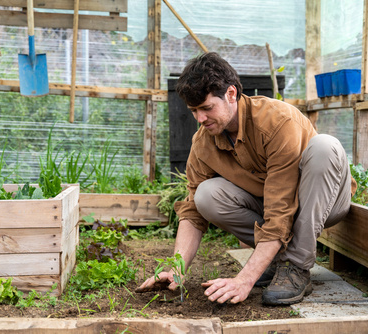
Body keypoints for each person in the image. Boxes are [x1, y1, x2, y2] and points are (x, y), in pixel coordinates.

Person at [136, 52, 355, 305]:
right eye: (194, 110)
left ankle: (295, 266)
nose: (200, 119)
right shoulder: (203, 143)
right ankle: (274, 263)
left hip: (323, 204)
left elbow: (281, 210)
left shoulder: (277, 121)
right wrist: (176, 270)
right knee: (204, 195)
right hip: (273, 207)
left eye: (207, 108)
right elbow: (193, 214)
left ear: (231, 94)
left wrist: (245, 279)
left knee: (324, 146)